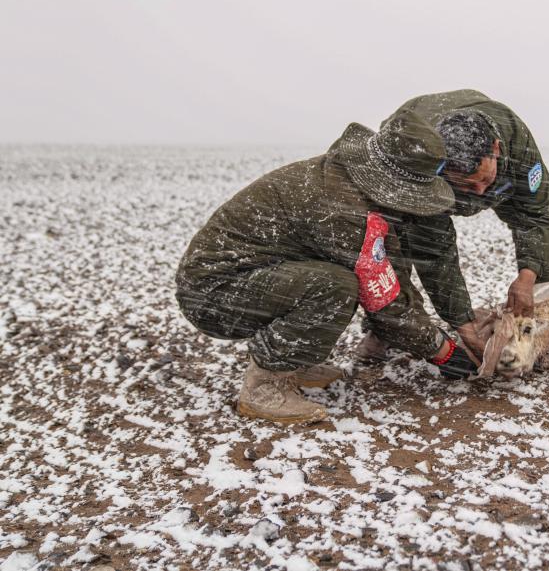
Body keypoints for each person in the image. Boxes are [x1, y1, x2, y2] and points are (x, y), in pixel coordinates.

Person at [174, 109, 483, 425]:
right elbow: (383, 300)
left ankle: (292, 363)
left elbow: (391, 275)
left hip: (243, 277)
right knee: (335, 287)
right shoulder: (343, 211)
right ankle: (265, 386)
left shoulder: (351, 185)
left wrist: (431, 338)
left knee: (335, 279)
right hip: (213, 294)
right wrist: (443, 351)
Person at [361, 89, 549, 361]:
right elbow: (434, 252)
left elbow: (538, 213)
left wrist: (528, 277)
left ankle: (540, 325)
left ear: (495, 148)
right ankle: (387, 327)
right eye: (468, 186)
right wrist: (465, 328)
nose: (480, 192)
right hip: (412, 148)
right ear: (443, 170)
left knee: (541, 255)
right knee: (393, 243)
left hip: (496, 159)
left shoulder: (516, 142)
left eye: (484, 179)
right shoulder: (420, 167)